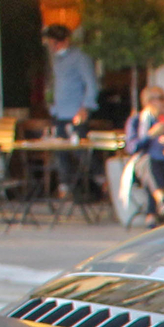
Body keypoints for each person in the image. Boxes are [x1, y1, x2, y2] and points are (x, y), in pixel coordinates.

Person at [42, 23, 97, 197]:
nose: (53, 46)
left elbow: (91, 84)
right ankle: (66, 187)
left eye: (56, 43)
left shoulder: (80, 57)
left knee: (80, 153)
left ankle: (95, 186)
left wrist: (86, 106)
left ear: (65, 41)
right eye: (51, 43)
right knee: (60, 153)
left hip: (76, 113)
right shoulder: (55, 60)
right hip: (59, 113)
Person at [124, 84, 164, 221]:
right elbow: (131, 148)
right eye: (161, 98)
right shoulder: (136, 121)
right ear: (149, 102)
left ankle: (154, 211)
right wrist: (150, 135)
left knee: (154, 168)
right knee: (149, 163)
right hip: (143, 166)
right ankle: (161, 202)